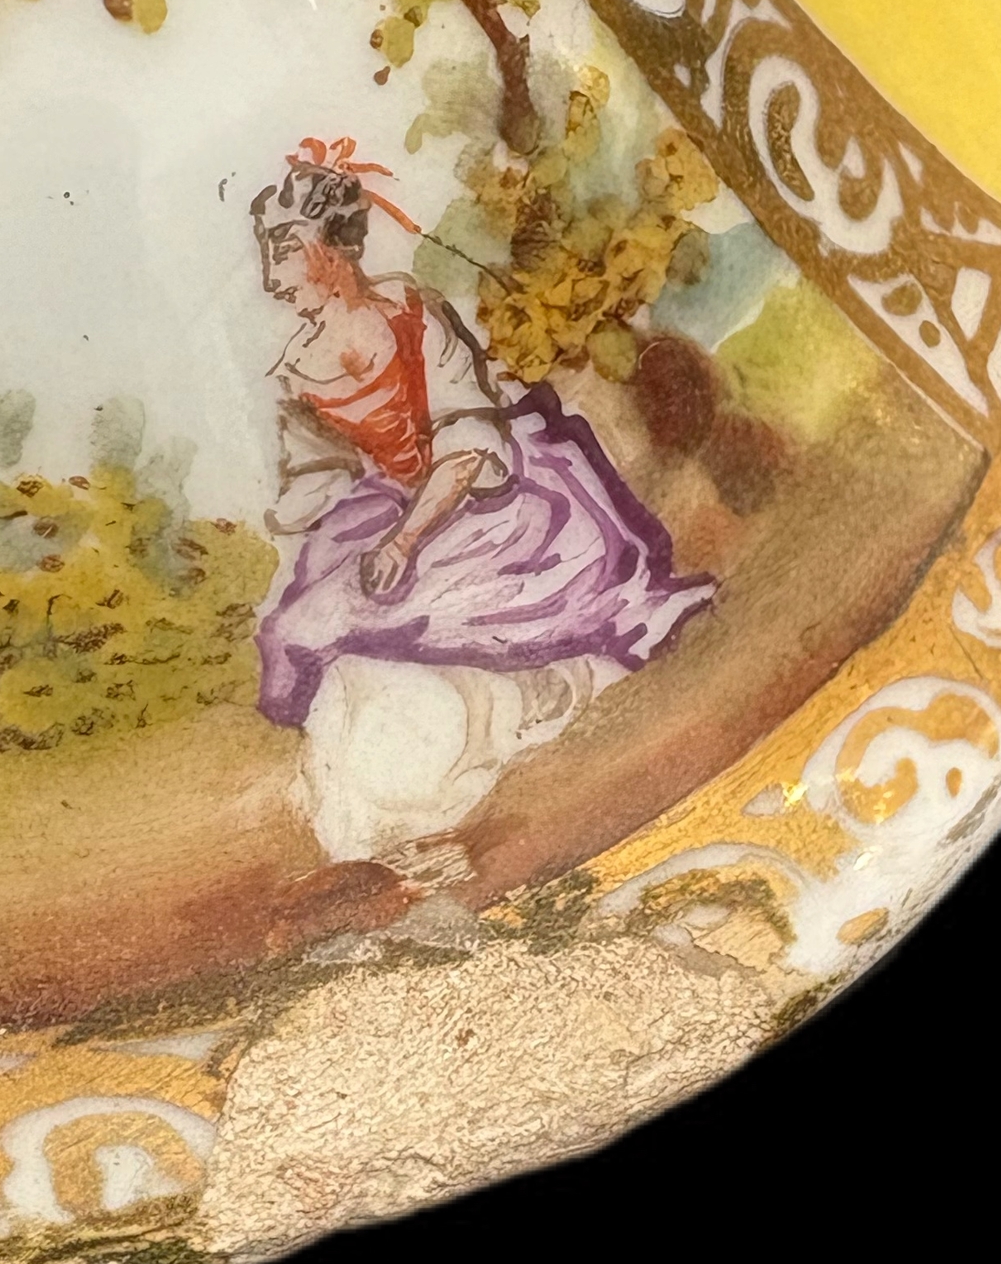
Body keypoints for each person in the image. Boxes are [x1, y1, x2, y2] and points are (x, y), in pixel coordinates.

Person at [249, 144, 713, 882]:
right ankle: (377, 822)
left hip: (477, 496)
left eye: (283, 253)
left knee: (473, 614)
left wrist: (405, 541)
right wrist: (319, 524)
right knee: (302, 628)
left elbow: (468, 433)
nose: (272, 279)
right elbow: (316, 482)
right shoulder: (295, 370)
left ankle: (508, 724)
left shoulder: (412, 315)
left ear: (331, 249)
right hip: (387, 508)